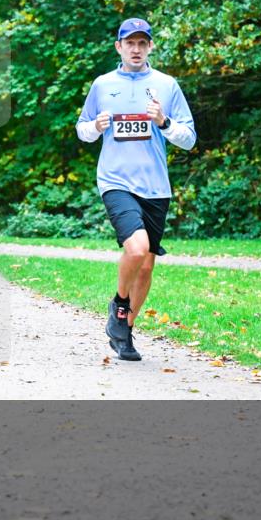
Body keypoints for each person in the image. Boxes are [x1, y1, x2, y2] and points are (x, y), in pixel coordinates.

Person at [75, 18, 196, 361]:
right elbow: (82, 129)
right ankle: (120, 303)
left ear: (151, 47)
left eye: (143, 43)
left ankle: (124, 331)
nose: (136, 49)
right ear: (119, 47)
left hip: (156, 187)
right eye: (130, 43)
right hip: (115, 180)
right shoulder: (102, 84)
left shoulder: (167, 85)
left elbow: (189, 138)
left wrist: (164, 122)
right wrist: (95, 127)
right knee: (137, 247)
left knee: (146, 265)